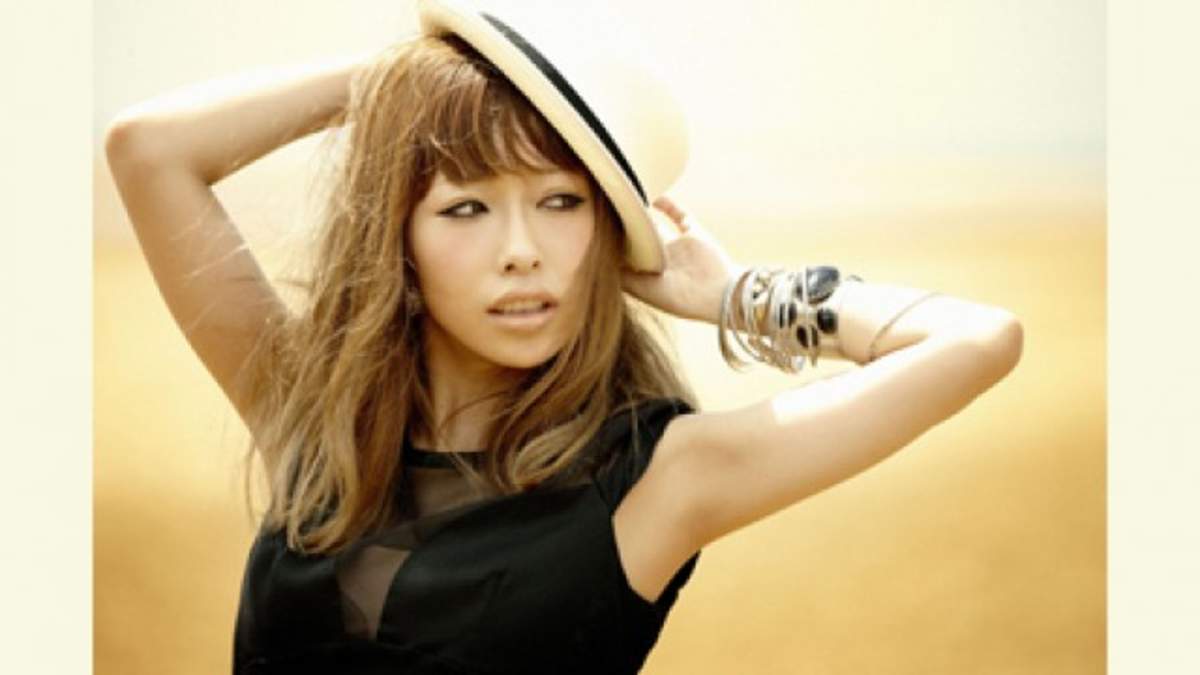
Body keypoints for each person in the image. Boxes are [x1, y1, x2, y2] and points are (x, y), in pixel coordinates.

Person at [103, 0, 1023, 672]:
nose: (523, 251)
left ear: (603, 230)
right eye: (466, 207)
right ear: (399, 242)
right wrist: (426, 77)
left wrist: (736, 294)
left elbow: (977, 339)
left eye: (560, 201)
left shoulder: (657, 478)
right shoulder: (314, 421)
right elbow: (147, 150)